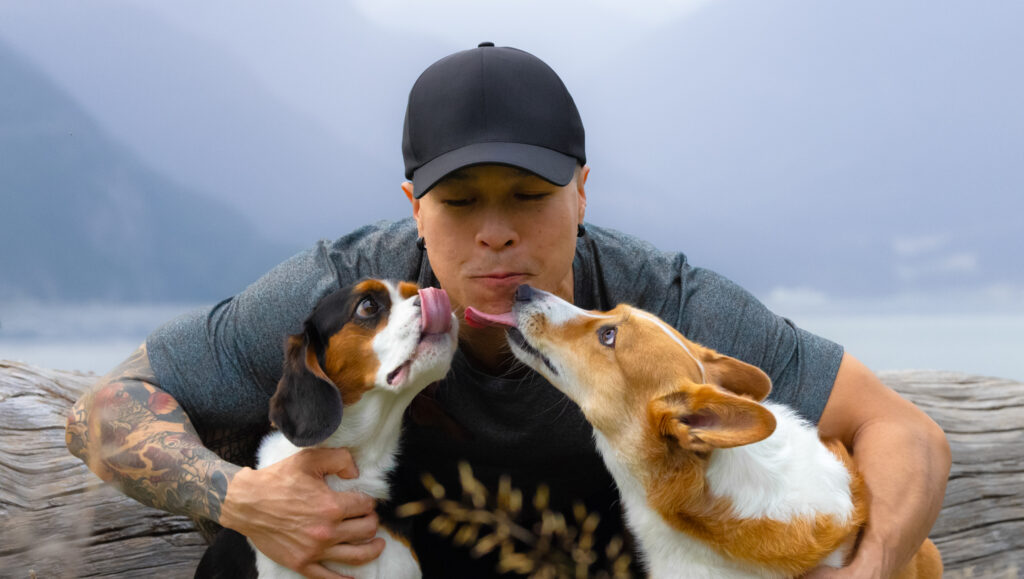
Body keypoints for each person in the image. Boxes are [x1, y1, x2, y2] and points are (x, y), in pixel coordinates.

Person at [67, 43, 950, 578]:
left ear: (582, 195)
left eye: (528, 195)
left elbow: (904, 431)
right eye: (459, 203)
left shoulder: (661, 311)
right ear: (414, 206)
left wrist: (872, 565)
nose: (495, 235)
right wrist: (243, 499)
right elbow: (102, 408)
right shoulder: (352, 293)